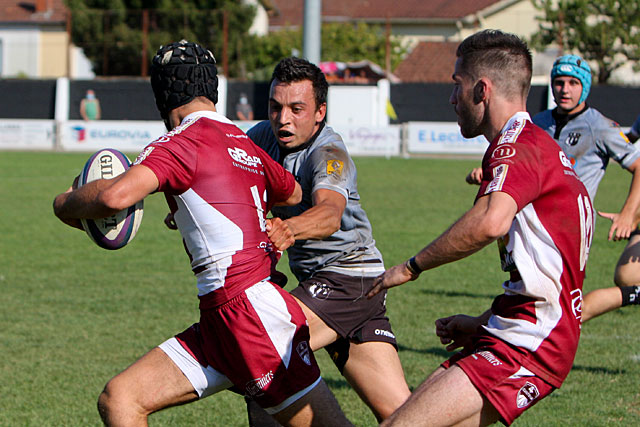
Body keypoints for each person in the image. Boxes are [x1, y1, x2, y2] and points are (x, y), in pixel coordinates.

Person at [53, 40, 352, 427]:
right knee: (120, 399)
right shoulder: (246, 142)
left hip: (253, 315)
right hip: (219, 320)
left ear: (163, 96)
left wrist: (65, 202)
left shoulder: (178, 142)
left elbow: (114, 195)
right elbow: (292, 191)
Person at [368, 29, 594, 426]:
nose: (453, 99)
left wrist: (410, 267)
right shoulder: (539, 146)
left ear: (482, 89)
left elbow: (490, 222)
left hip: (528, 343)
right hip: (514, 330)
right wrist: (482, 322)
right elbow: (541, 270)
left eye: (458, 86)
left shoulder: (518, 147)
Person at [245, 56, 411, 422]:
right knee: (403, 415)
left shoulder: (329, 153)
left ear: (320, 112)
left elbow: (330, 214)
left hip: (346, 278)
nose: (283, 118)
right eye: (276, 106)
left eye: (296, 109)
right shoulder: (261, 137)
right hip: (353, 288)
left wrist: (289, 229)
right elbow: (224, 170)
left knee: (262, 363)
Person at [467, 54, 640, 323]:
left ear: (585, 87)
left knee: (552, 306)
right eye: (559, 82)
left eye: (573, 83)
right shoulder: (538, 121)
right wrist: (489, 172)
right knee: (536, 298)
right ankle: (492, 335)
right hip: (533, 221)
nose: (565, 89)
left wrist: (629, 213)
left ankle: (491, 336)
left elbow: (639, 166)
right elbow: (518, 159)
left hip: (570, 227)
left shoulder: (600, 126)